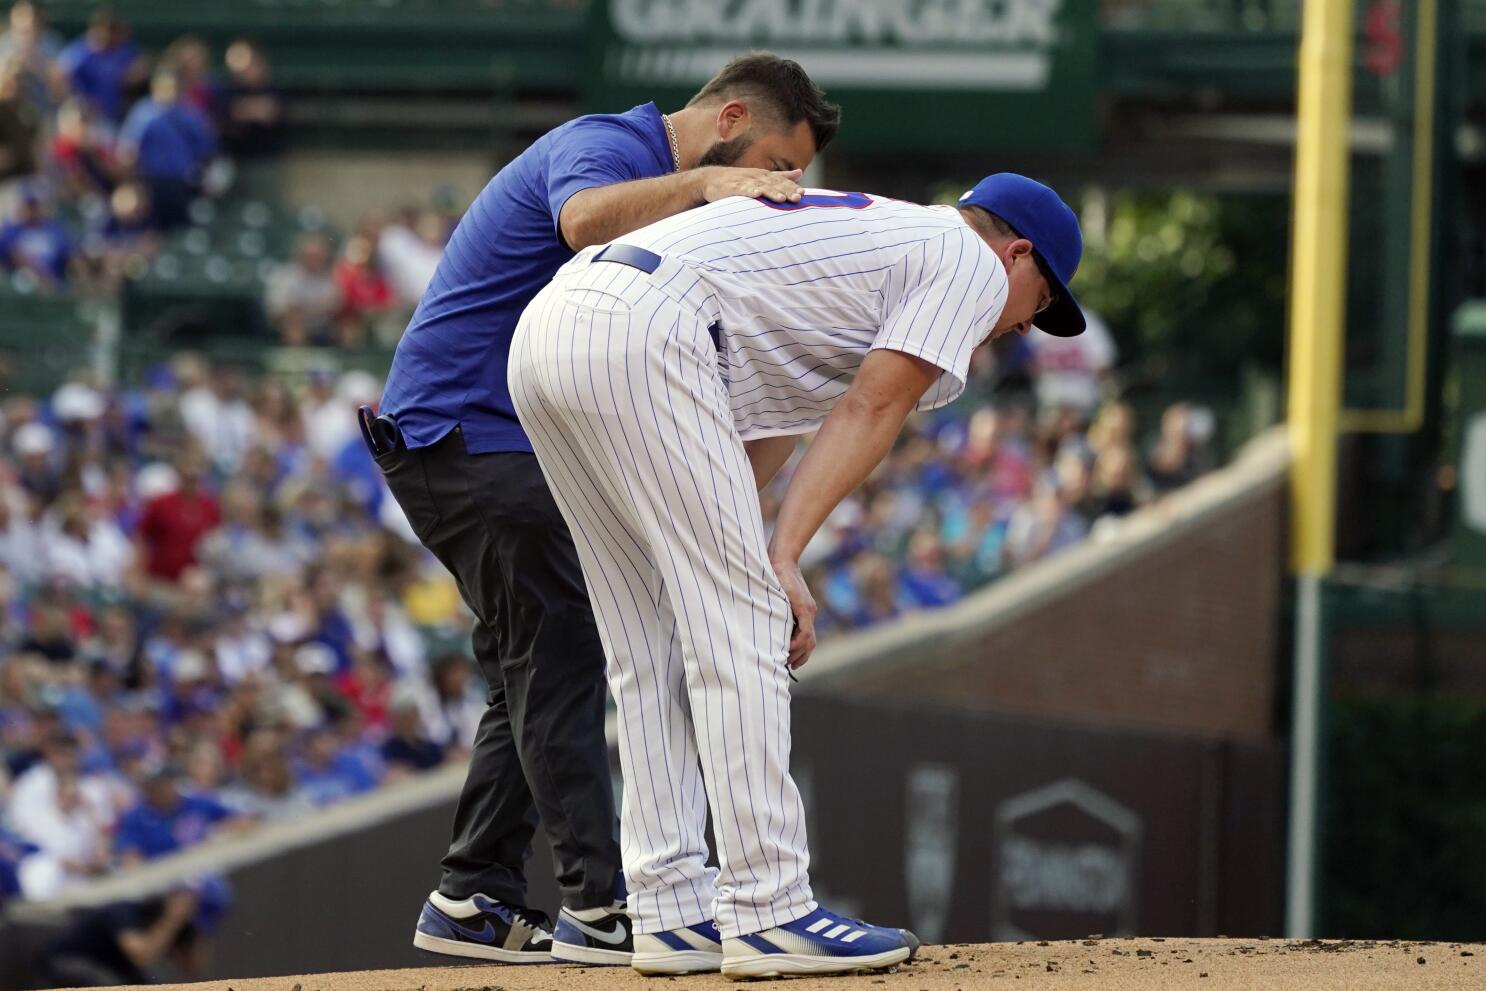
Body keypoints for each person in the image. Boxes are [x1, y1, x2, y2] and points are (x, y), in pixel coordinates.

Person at [507, 172, 1085, 978]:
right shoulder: (967, 257)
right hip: (650, 332)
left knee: (649, 635)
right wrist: (774, 560)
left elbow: (759, 432)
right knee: (741, 623)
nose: (1020, 322)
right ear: (1018, 251)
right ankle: (769, 907)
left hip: (554, 330)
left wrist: (754, 551)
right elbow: (871, 409)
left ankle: (670, 907)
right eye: (1038, 300)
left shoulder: (861, 261)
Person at [374, 52, 838, 969]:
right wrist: (709, 182)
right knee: (563, 652)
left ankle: (473, 892)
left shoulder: (665, 192)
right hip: (466, 432)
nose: (782, 186)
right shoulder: (604, 145)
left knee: (535, 662)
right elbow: (582, 222)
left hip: (482, 437)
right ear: (732, 118)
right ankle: (596, 902)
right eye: (780, 164)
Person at [116, 69, 217, 230]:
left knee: (182, 228)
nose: (171, 92)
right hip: (150, 181)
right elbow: (128, 149)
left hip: (181, 182)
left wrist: (203, 177)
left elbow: (205, 148)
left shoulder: (190, 113)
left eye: (174, 87)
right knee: (153, 229)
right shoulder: (143, 113)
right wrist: (132, 181)